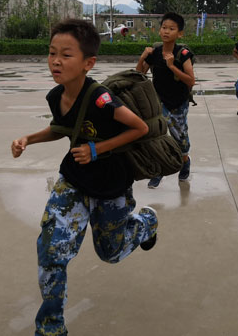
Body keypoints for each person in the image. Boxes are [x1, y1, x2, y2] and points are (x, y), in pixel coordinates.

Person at [11, 19, 158, 336]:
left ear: (88, 63)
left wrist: (97, 148)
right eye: (52, 53)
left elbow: (140, 128)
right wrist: (28, 139)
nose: (55, 61)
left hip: (111, 186)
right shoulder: (56, 96)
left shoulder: (102, 99)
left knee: (111, 253)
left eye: (65, 54)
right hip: (73, 181)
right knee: (51, 252)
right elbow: (61, 127)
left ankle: (146, 222)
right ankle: (51, 327)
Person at [136, 12, 196, 188]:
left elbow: (191, 80)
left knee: (180, 138)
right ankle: (159, 170)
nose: (166, 31)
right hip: (158, 102)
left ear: (180, 33)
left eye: (171, 29)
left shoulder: (183, 54)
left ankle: (185, 161)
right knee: (156, 136)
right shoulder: (154, 52)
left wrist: (171, 66)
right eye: (164, 28)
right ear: (159, 30)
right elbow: (139, 74)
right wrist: (142, 58)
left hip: (178, 103)